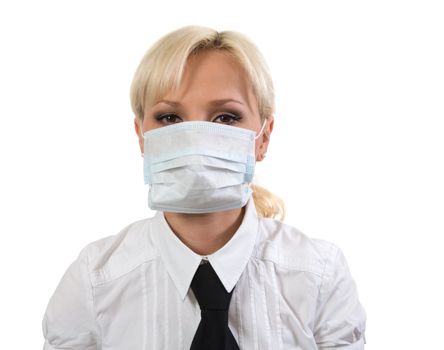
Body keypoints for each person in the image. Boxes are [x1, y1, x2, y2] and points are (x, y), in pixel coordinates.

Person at [42, 25, 367, 349]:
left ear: (263, 137)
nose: (195, 139)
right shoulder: (94, 282)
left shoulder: (319, 276)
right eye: (170, 118)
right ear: (142, 136)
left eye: (225, 117)